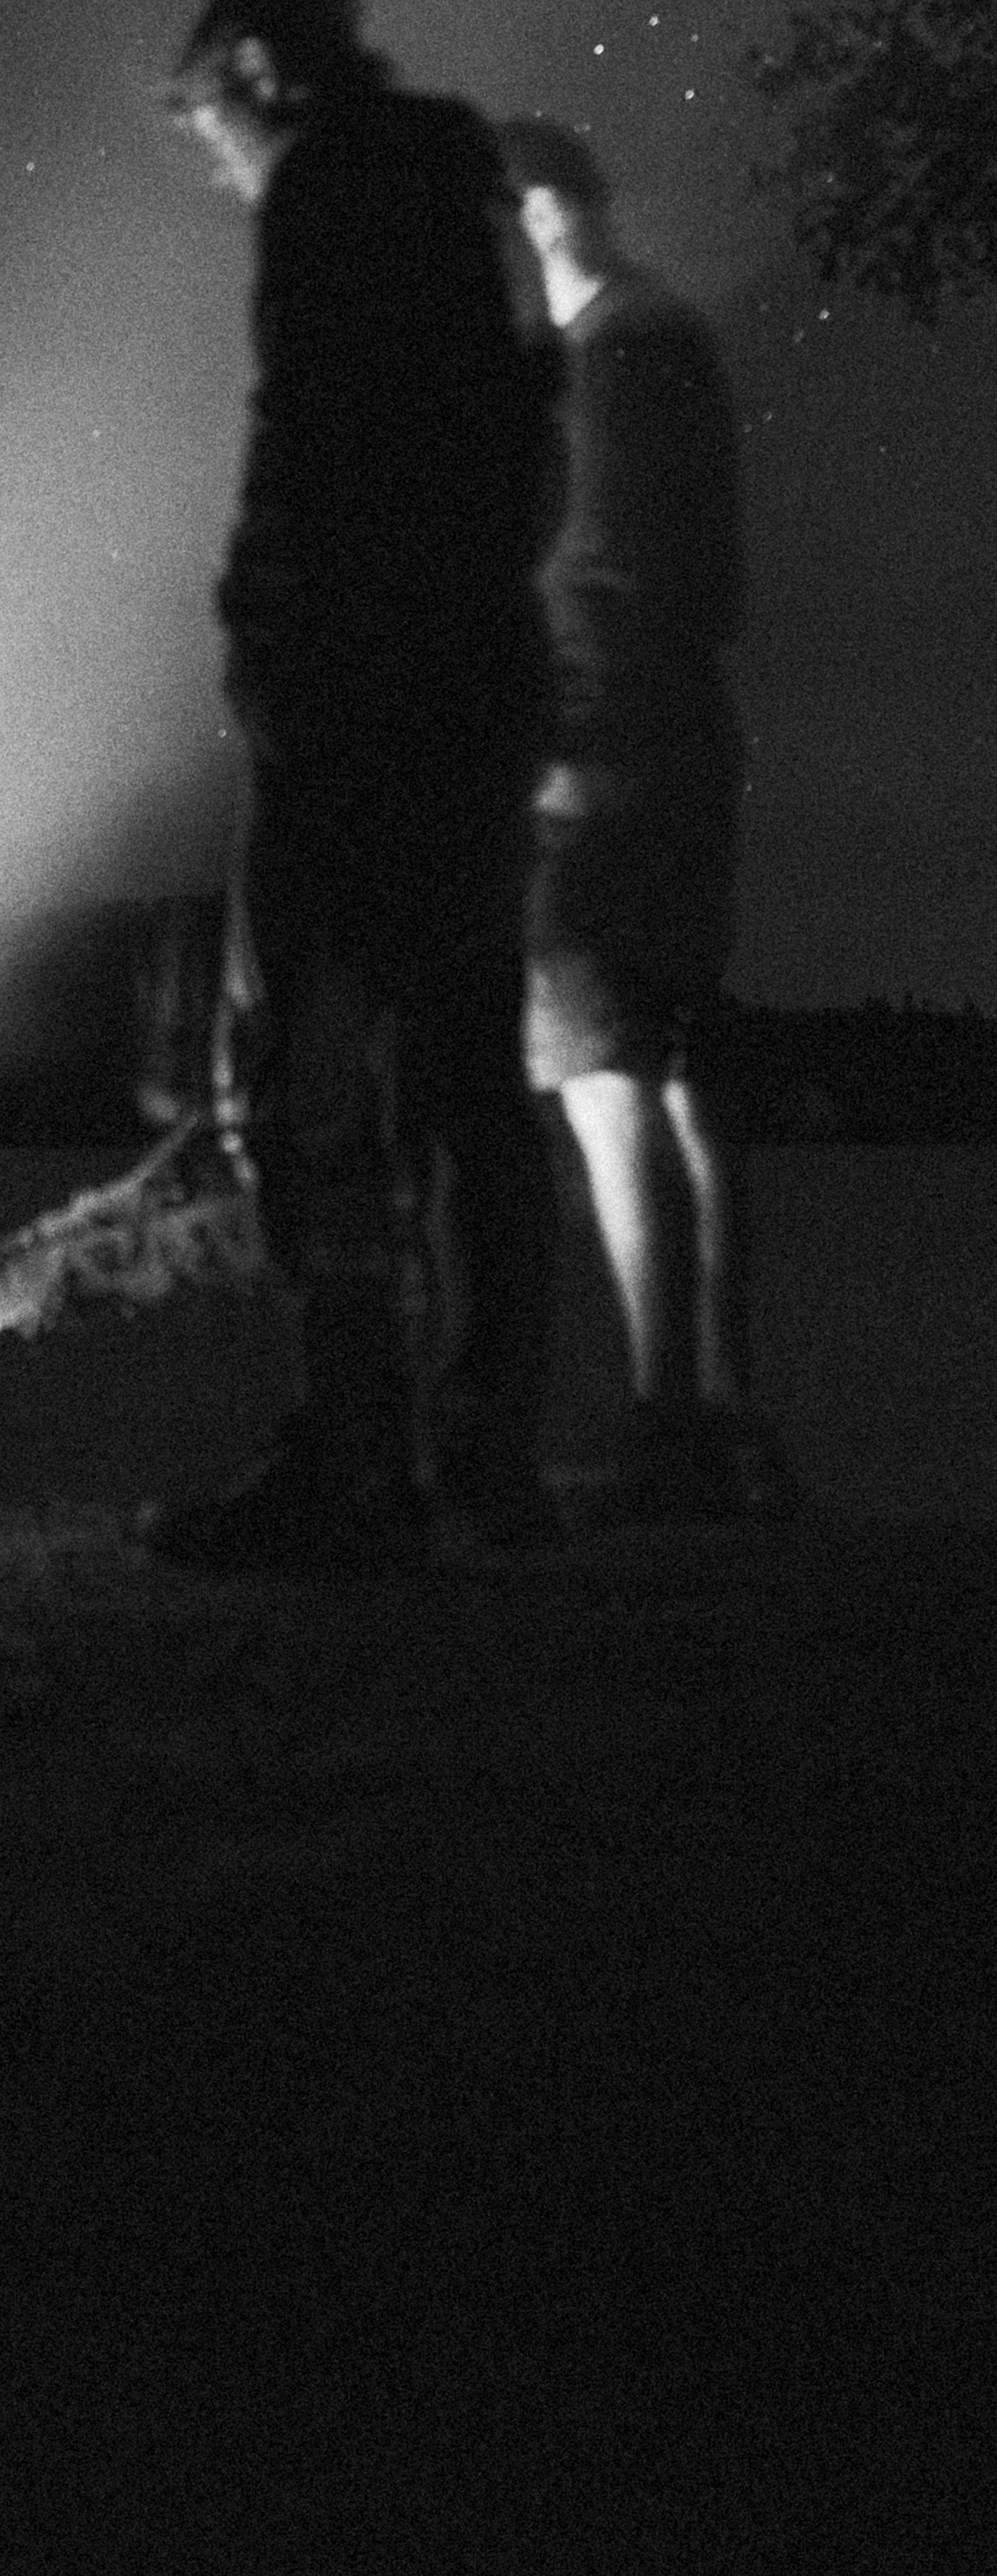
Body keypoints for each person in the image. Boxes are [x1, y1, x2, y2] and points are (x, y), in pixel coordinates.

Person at [148, 0, 568, 1570]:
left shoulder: (328, 186)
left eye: (212, 120)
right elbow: (540, 422)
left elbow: (304, 429)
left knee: (311, 1078)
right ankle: (493, 1445)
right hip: (478, 674)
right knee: (472, 1071)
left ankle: (356, 1449)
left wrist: (267, 632)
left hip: (352, 695)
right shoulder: (477, 189)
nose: (215, 161)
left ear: (260, 71)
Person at [496, 119, 799, 1523]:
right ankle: (721, 1414)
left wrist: (558, 742)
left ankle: (668, 1421)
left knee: (608, 1071)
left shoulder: (613, 350)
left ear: (545, 212)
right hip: (677, 745)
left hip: (609, 762)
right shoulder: (662, 333)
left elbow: (607, 568)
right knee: (676, 1069)